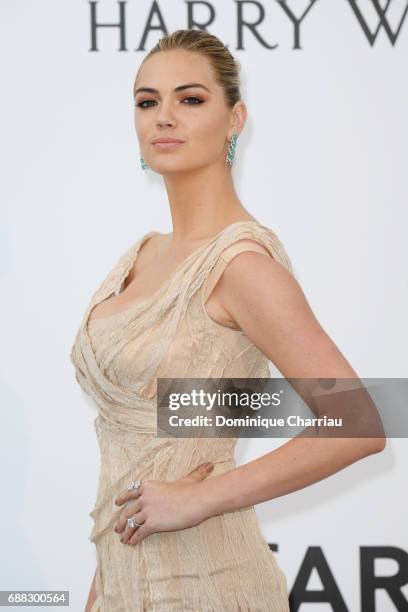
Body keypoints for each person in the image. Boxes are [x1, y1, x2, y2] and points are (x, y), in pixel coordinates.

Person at [70, 28, 386, 612]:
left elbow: (360, 421)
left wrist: (203, 497)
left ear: (234, 118)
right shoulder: (138, 255)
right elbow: (133, 466)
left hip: (207, 583)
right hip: (122, 583)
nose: (164, 117)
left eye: (190, 100)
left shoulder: (241, 264)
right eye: (147, 102)